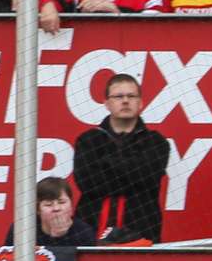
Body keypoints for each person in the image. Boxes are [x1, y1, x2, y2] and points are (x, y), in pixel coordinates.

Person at [71, 73, 171, 244]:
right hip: (91, 230)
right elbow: (87, 183)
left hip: (142, 231)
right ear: (107, 103)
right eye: (118, 96)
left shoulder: (156, 142)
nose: (125, 101)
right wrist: (131, 169)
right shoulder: (88, 140)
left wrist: (106, 164)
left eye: (131, 96)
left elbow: (146, 178)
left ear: (140, 103)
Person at [3, 177, 97, 248]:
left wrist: (59, 238)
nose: (56, 208)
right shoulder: (21, 228)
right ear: (37, 209)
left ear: (71, 204)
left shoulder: (84, 231)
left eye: (62, 202)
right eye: (48, 204)